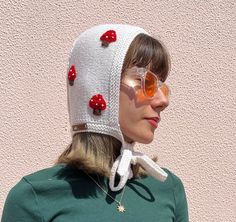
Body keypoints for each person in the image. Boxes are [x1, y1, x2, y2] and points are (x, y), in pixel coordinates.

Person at [1, 24, 189, 222]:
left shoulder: (168, 189)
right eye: (147, 82)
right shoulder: (34, 198)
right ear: (98, 85)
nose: (163, 101)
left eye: (162, 87)